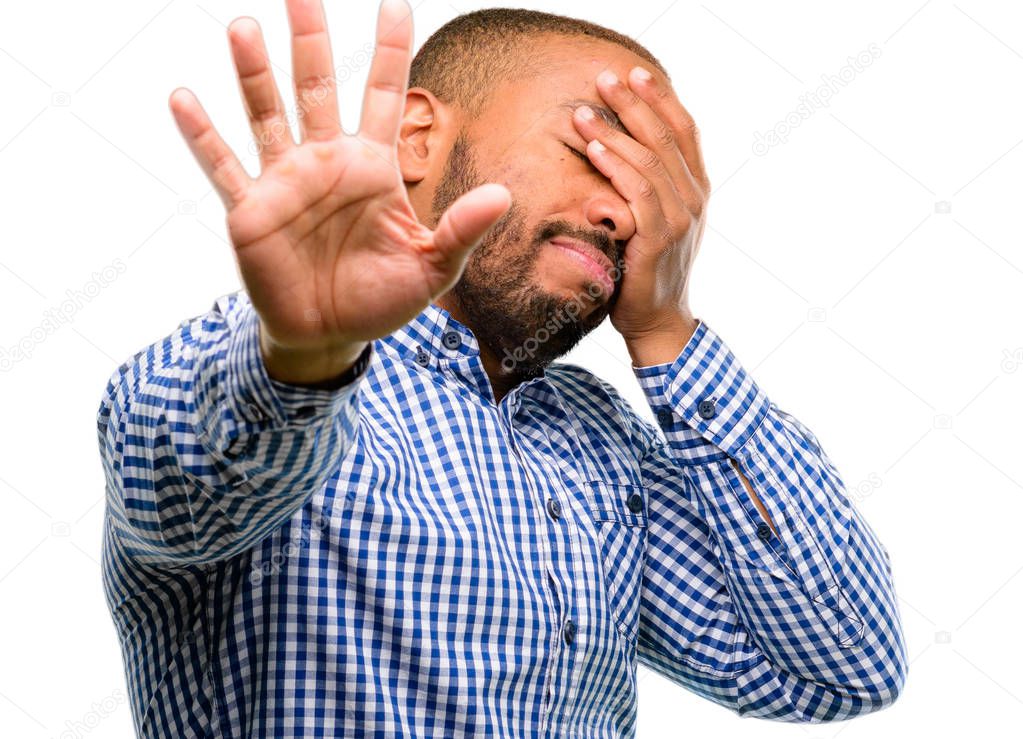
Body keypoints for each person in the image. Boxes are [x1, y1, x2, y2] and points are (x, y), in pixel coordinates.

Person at [95, 0, 908, 735]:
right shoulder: (254, 372)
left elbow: (840, 667)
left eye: (653, 181)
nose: (624, 210)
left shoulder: (598, 440)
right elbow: (176, 483)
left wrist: (667, 329)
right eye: (591, 148)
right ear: (417, 139)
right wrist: (307, 353)